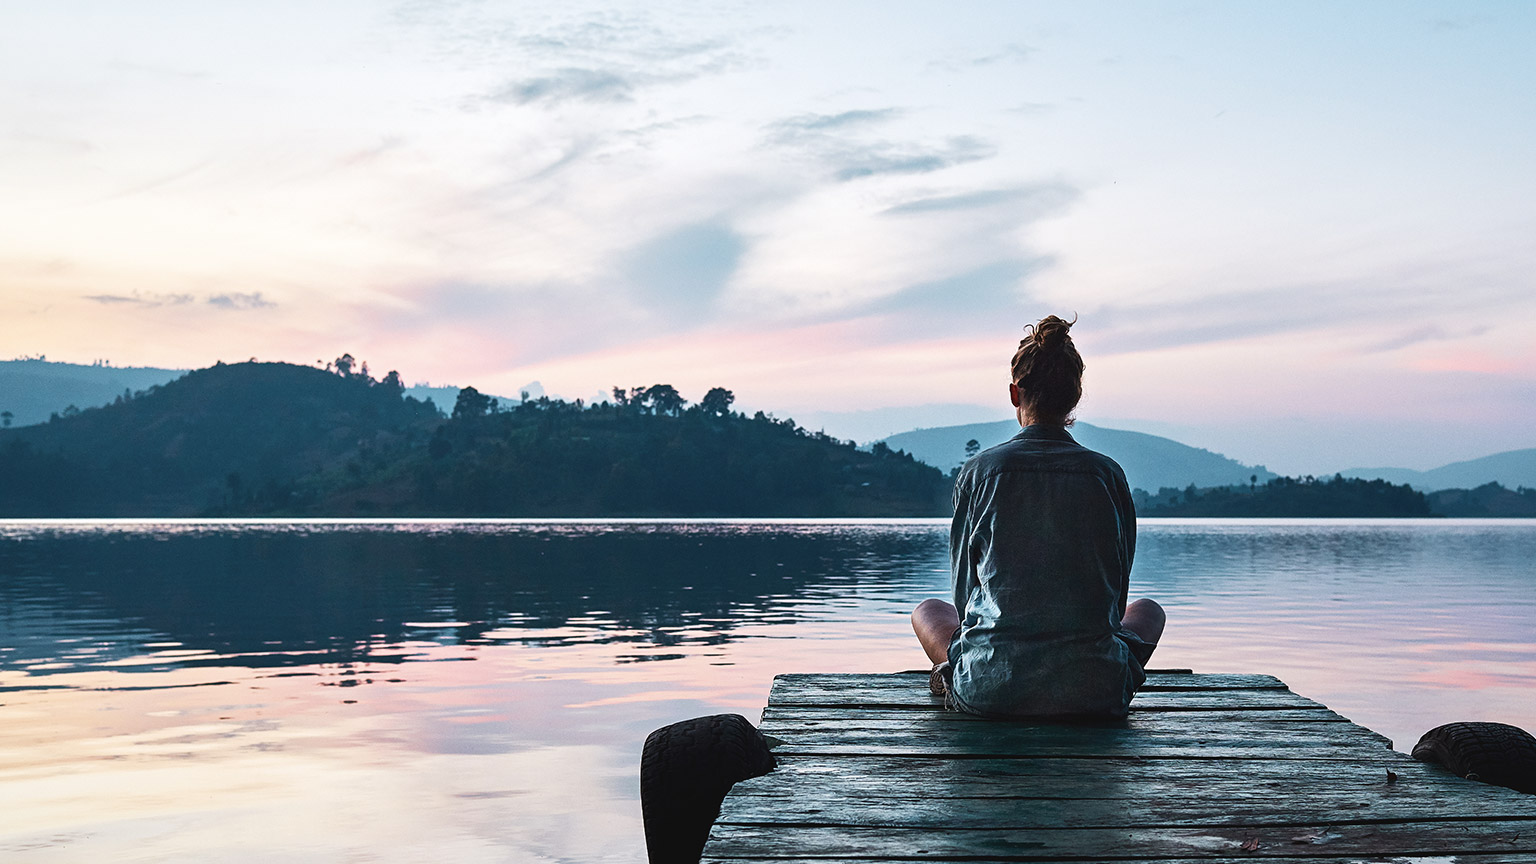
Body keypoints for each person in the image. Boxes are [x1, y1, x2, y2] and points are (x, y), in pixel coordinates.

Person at [911, 315, 1165, 717]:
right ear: (1075, 398)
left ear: (1016, 394)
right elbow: (1116, 602)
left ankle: (957, 676)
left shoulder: (979, 474)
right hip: (1094, 692)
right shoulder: (1107, 474)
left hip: (990, 691)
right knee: (1149, 611)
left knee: (929, 610)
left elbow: (963, 596)